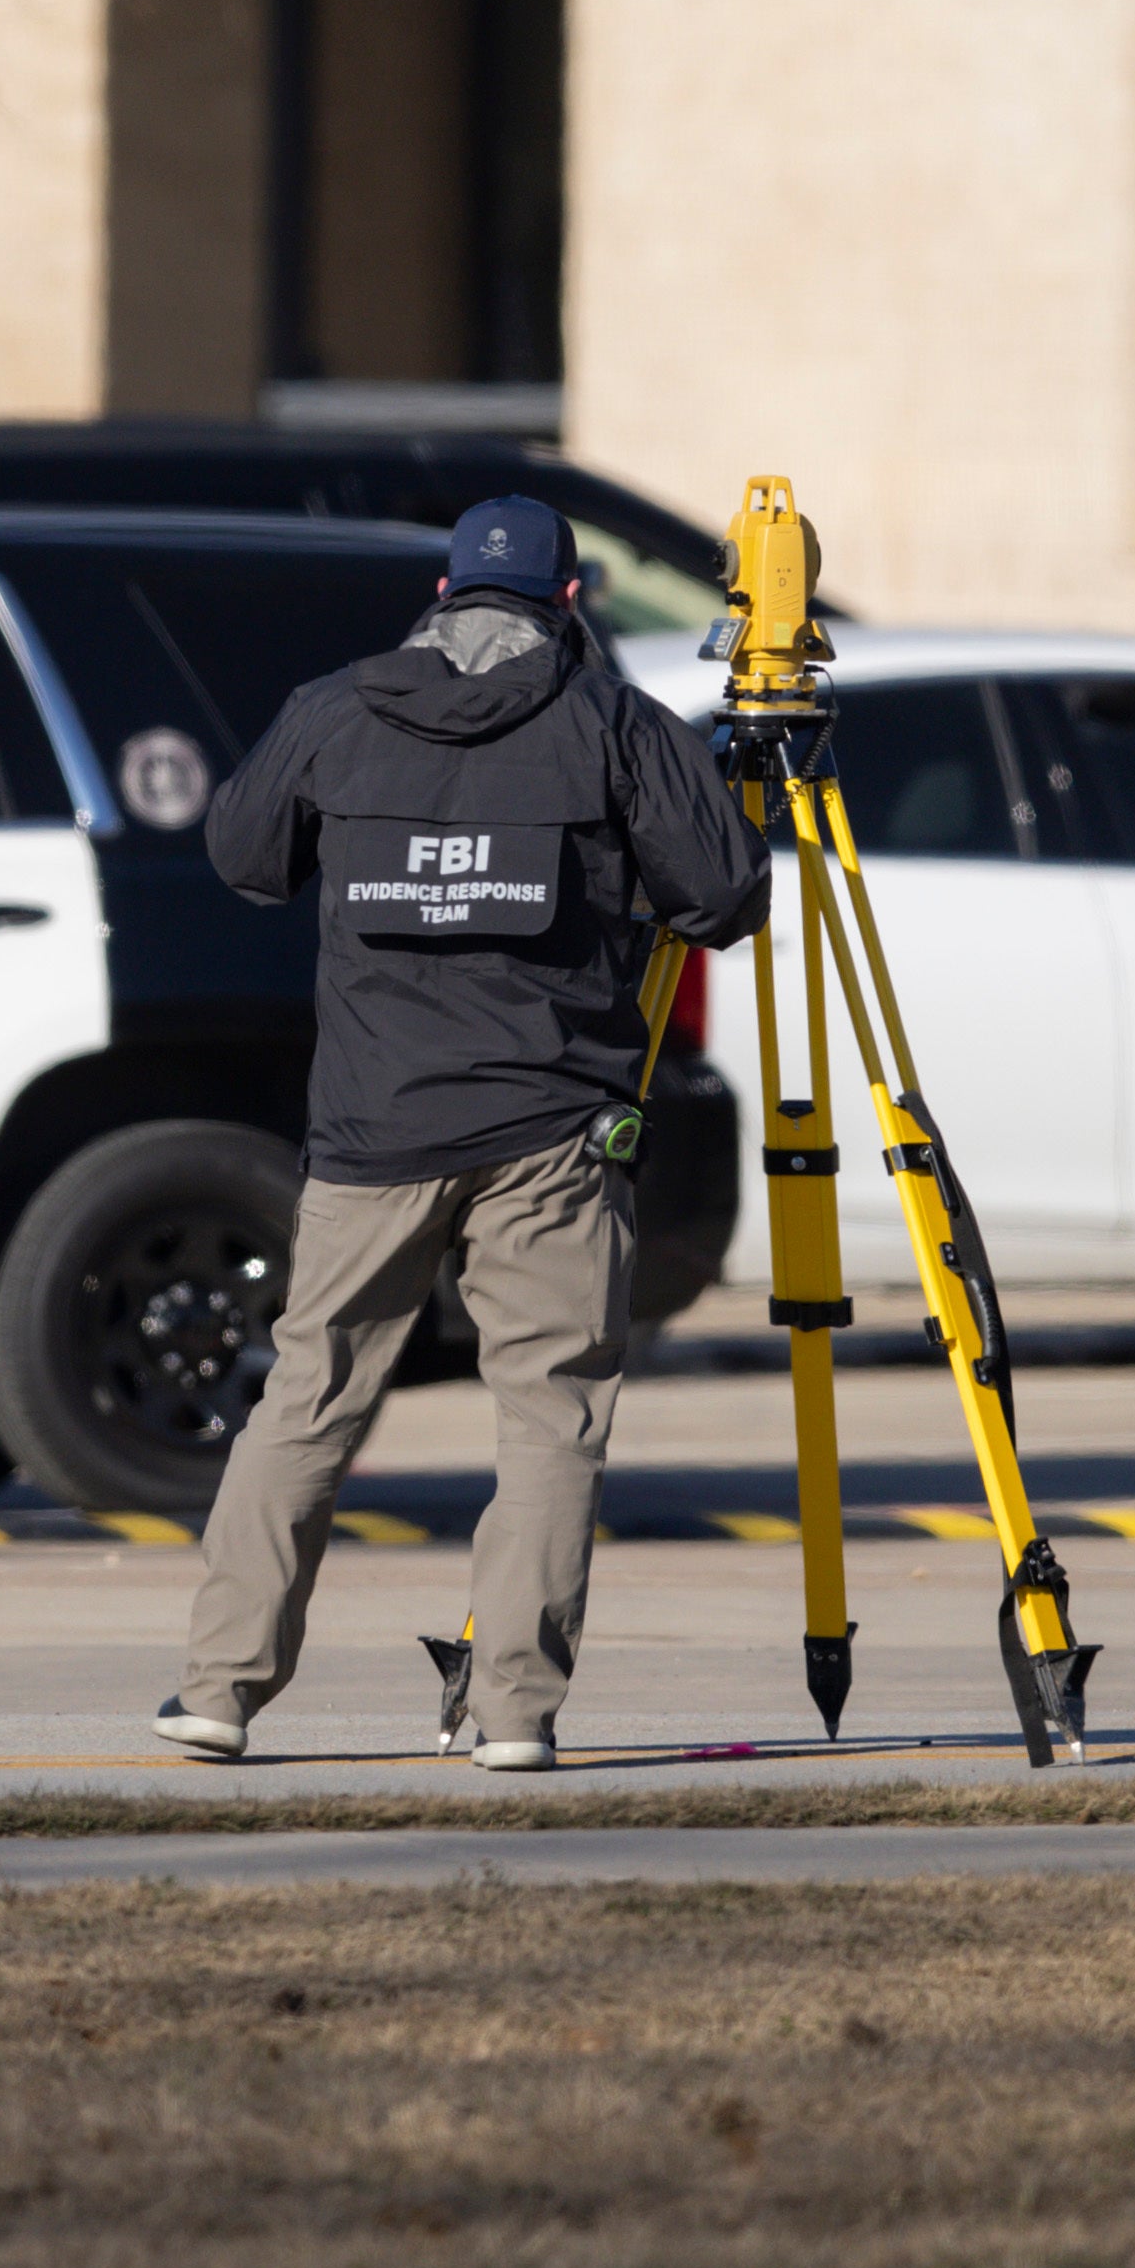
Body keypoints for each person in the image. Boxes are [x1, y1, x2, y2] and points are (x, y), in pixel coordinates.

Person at [157, 493, 768, 1771]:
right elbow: (723, 896)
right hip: (550, 1130)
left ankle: (219, 1691)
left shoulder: (336, 707)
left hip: (373, 1131)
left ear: (440, 597)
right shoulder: (612, 722)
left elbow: (243, 856)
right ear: (570, 605)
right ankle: (514, 1717)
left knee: (306, 1401)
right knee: (550, 1418)